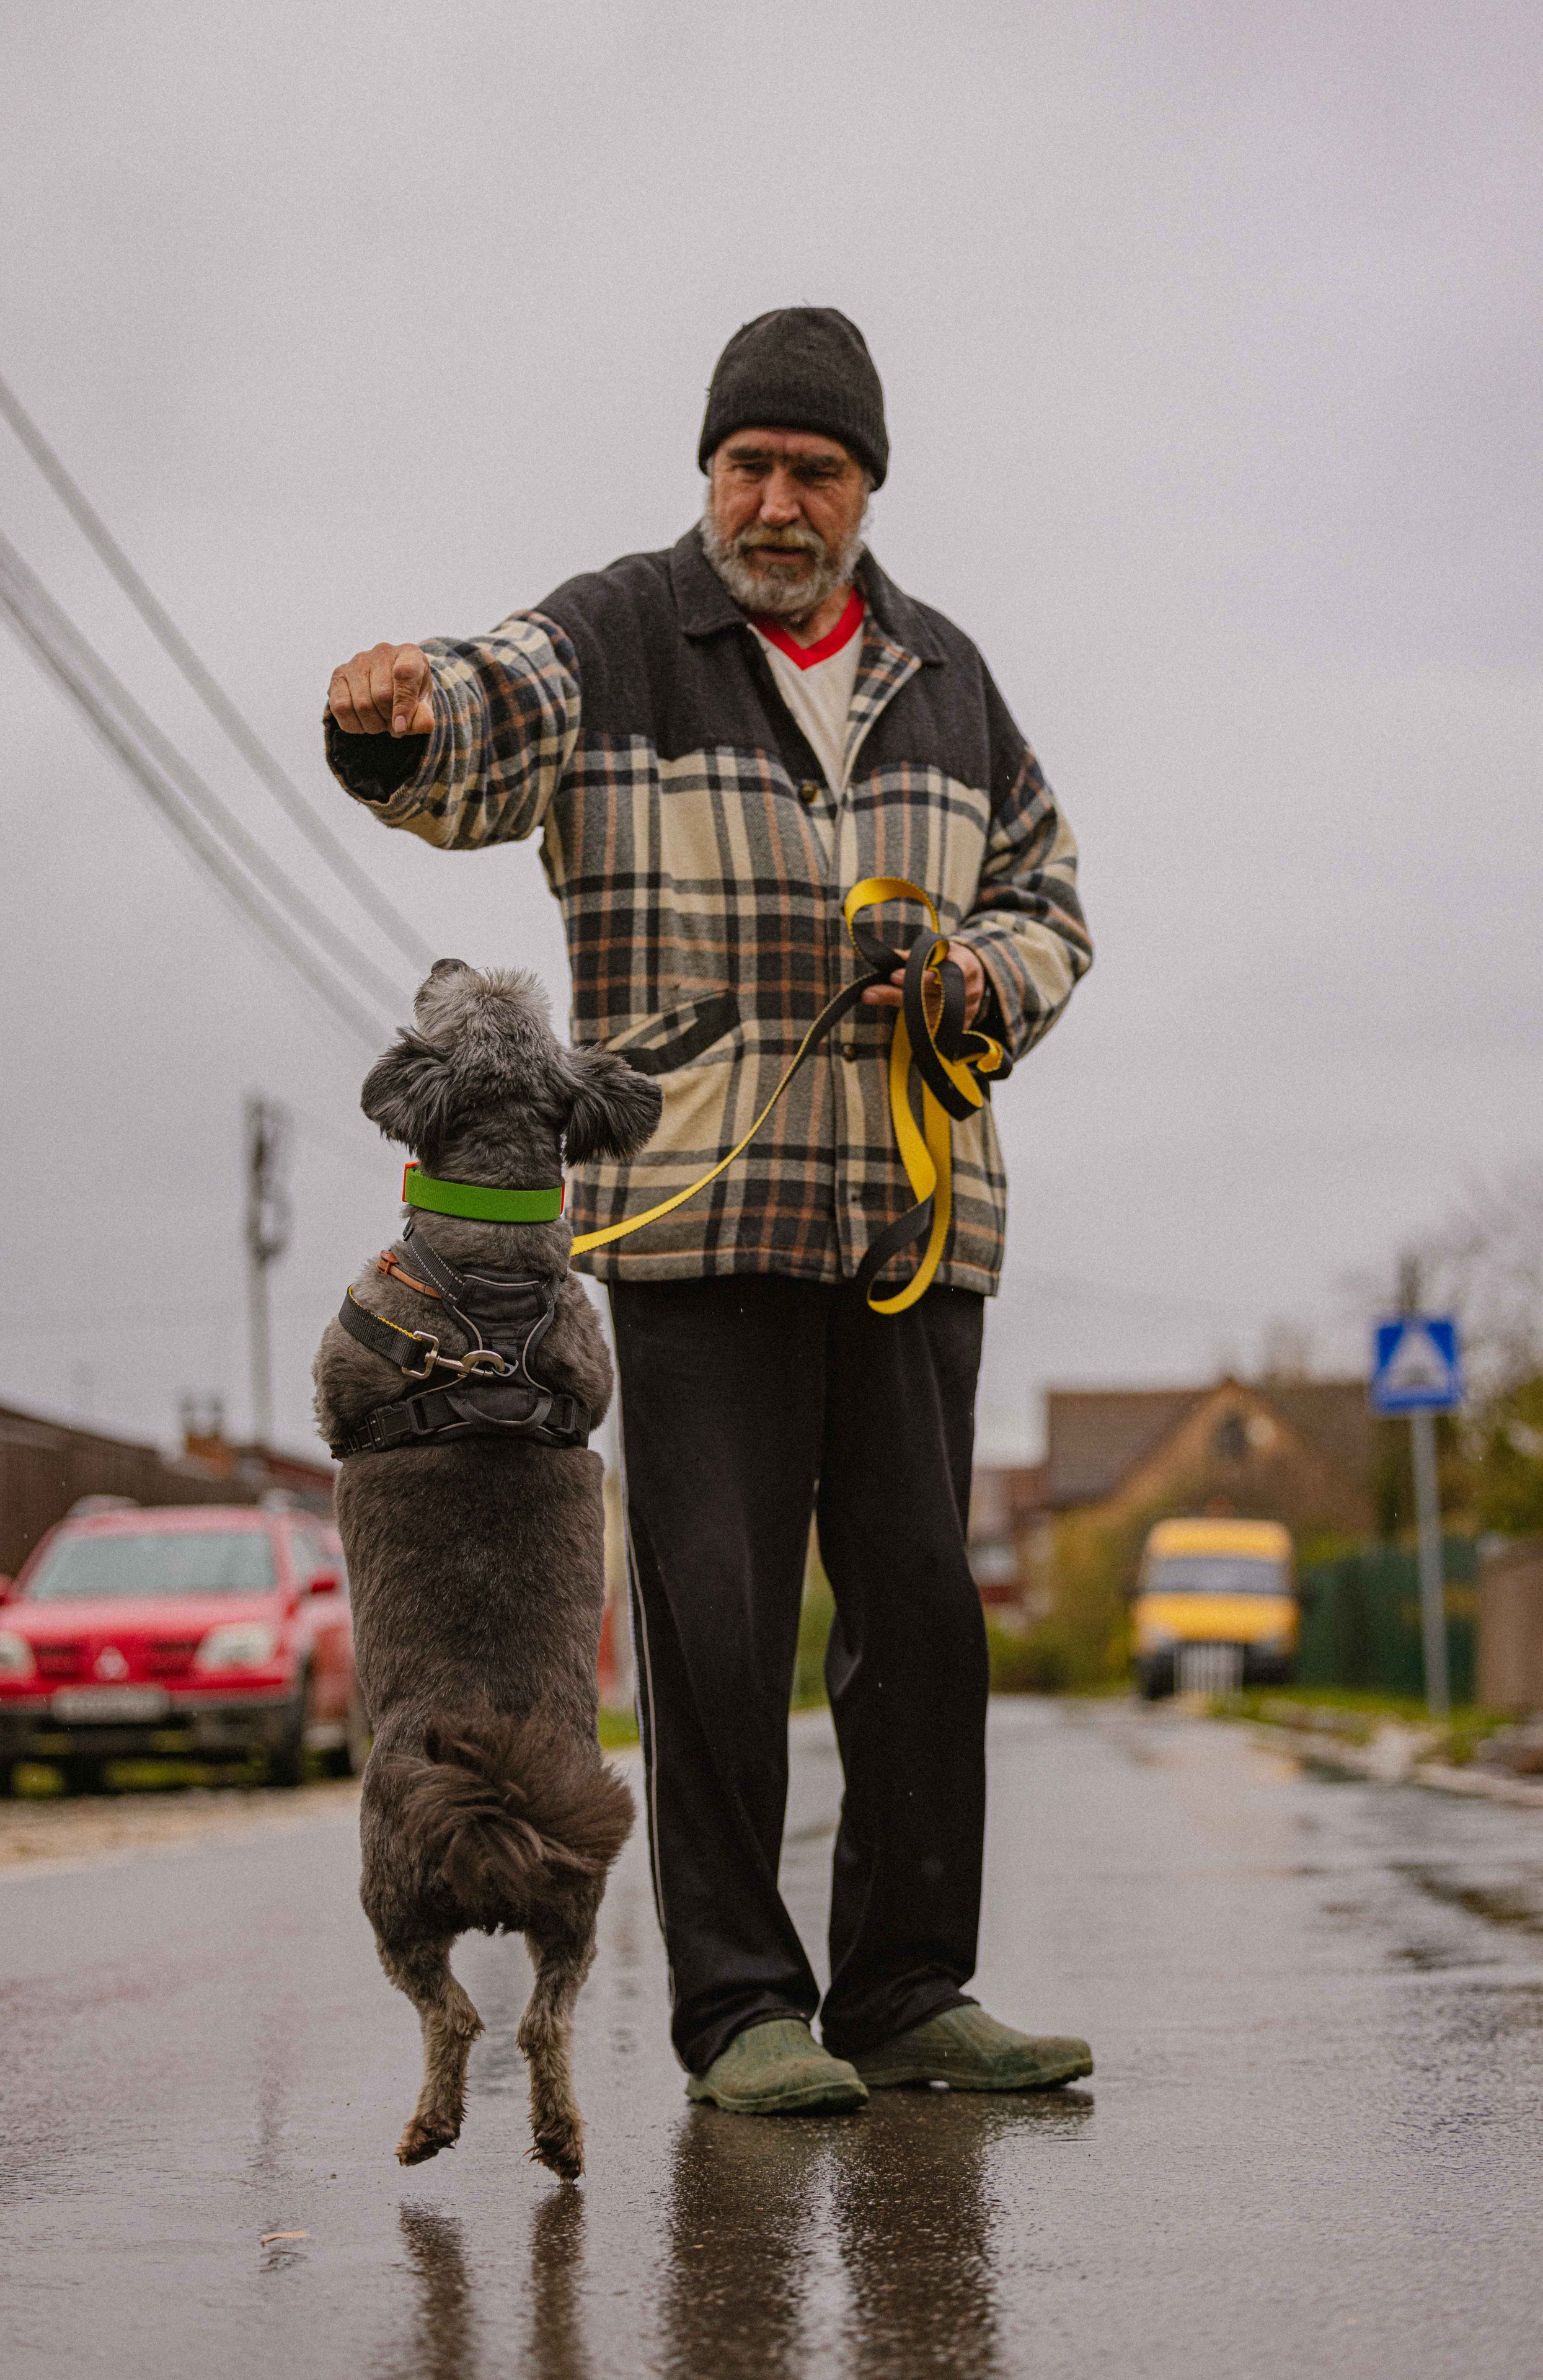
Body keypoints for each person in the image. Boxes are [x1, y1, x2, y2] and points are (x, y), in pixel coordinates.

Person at [324, 308, 1094, 2115]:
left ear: (864, 490)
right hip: (690, 1218)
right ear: (709, 473)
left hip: (909, 1228)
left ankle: (911, 1993)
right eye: (747, 464)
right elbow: (485, 715)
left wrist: (983, 975)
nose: (774, 499)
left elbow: (1053, 895)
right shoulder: (622, 631)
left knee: (919, 1617)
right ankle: (744, 2007)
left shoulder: (952, 675)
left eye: (812, 470)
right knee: (718, 1627)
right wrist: (404, 713)